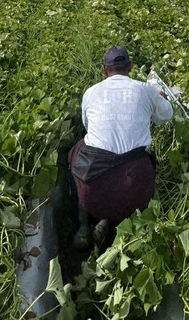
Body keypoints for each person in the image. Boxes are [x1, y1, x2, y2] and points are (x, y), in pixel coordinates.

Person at [68, 46, 173, 248]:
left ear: (104, 70)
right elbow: (166, 115)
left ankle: (82, 227)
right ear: (130, 68)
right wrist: (161, 98)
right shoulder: (145, 90)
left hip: (94, 195)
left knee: (79, 149)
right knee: (139, 159)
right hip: (135, 194)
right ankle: (119, 227)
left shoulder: (90, 93)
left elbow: (88, 128)